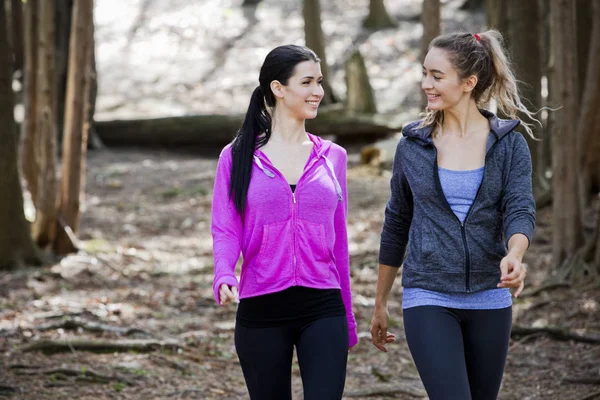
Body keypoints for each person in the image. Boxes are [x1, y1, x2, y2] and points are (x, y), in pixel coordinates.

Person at [370, 30, 537, 400]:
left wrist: (515, 254)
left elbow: (520, 207)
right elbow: (396, 222)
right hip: (427, 292)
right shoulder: (413, 145)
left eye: (436, 75)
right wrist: (380, 303)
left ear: (469, 83)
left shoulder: (509, 144)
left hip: (490, 295)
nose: (425, 83)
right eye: (424, 73)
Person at [211, 44, 357, 400]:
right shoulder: (238, 156)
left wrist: (348, 317)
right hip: (262, 305)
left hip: (323, 305)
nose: (318, 92)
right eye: (307, 82)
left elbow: (339, 243)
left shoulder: (333, 157)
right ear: (278, 88)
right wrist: (224, 272)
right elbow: (226, 227)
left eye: (319, 82)